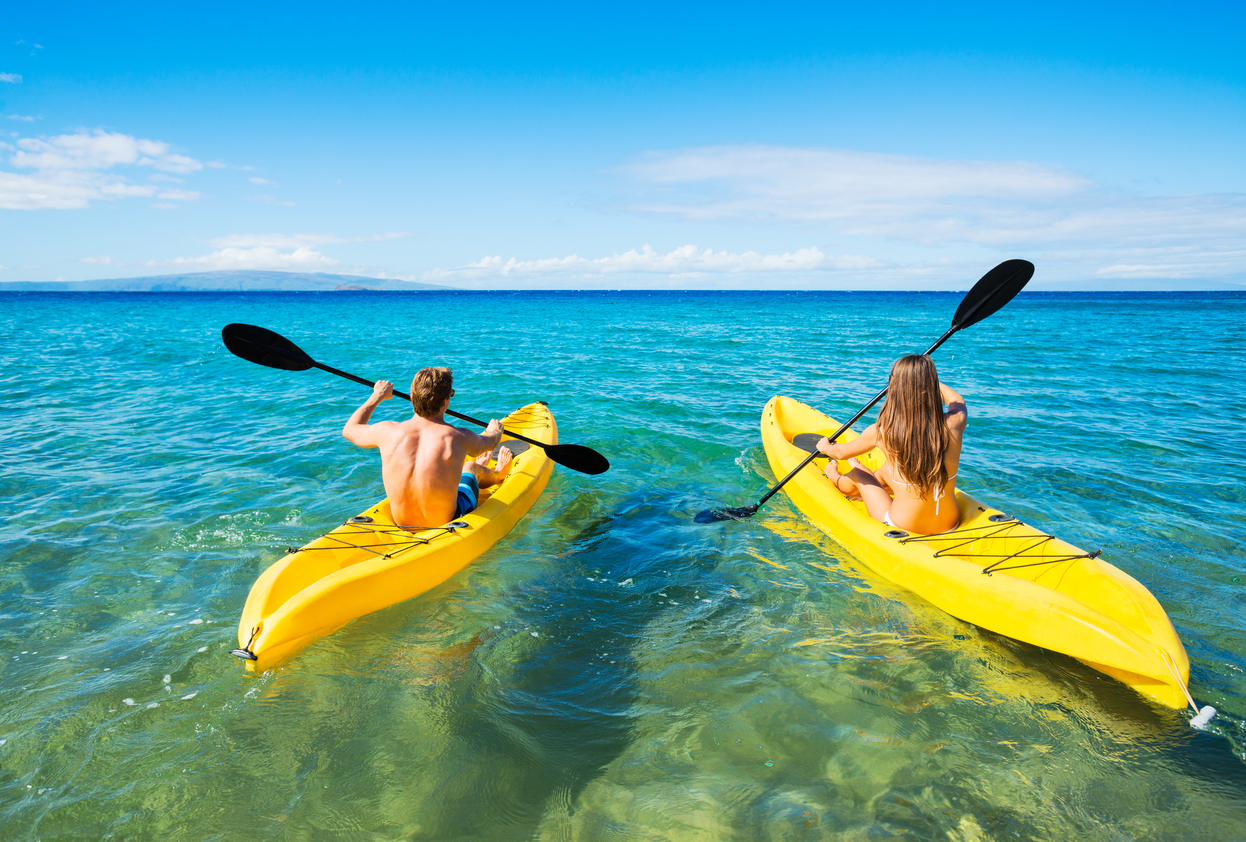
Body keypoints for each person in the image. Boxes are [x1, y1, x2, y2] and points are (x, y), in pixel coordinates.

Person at [342, 366, 513, 527]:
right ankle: (498, 475)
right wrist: (494, 431)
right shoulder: (458, 437)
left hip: (403, 524)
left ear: (412, 397)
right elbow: (490, 442)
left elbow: (349, 430)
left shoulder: (388, 432)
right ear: (446, 401)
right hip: (448, 520)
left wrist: (377, 395)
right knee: (470, 466)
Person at [816, 354, 966, 535]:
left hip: (902, 526)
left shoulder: (883, 431)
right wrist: (924, 378)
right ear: (932, 385)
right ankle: (876, 478)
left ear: (895, 387)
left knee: (859, 474)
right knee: (889, 468)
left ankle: (838, 478)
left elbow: (840, 453)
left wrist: (825, 447)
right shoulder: (955, 422)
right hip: (950, 524)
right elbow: (957, 400)